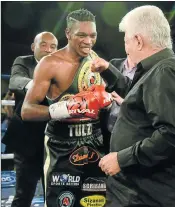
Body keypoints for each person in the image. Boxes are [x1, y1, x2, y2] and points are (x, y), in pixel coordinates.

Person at [91, 5, 175, 207]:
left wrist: (121, 159)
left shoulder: (166, 71)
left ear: (139, 40)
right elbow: (135, 96)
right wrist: (108, 70)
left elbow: (173, 134)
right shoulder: (154, 69)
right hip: (141, 189)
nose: (126, 48)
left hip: (152, 193)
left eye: (126, 41)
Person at [21, 9, 112, 207]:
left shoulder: (95, 60)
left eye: (93, 35)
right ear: (68, 33)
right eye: (82, 35)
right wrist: (65, 109)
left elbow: (101, 100)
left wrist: (107, 100)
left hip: (94, 144)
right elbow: (27, 110)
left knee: (95, 203)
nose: (88, 41)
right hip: (61, 147)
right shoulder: (50, 63)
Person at [2, 31, 58, 207]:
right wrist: (38, 85)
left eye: (53, 46)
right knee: (23, 195)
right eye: (43, 45)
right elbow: (15, 80)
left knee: (55, 194)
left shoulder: (61, 67)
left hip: (55, 142)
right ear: (33, 47)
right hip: (27, 140)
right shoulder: (23, 61)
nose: (48, 50)